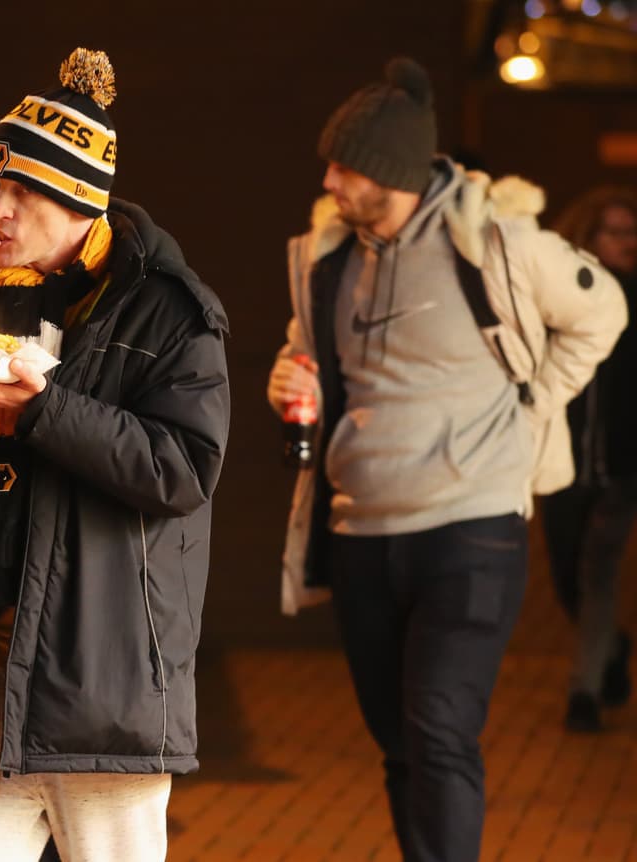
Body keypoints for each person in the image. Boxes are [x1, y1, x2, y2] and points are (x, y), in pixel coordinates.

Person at [0, 49, 231, 861]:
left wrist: (44, 411)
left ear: (80, 203)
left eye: (20, 192)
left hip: (104, 686)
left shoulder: (171, 310)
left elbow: (182, 471)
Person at [267, 58, 626, 862]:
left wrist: (537, 400)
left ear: (392, 171)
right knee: (398, 738)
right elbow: (303, 356)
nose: (328, 178)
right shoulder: (329, 254)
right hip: (361, 529)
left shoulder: (495, 242)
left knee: (438, 729)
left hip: (471, 526)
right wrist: (288, 380)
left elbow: (603, 311)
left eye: (345, 165)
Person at [541, 186, 637, 732]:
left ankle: (585, 691)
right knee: (565, 579)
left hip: (622, 470)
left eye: (631, 231)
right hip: (565, 467)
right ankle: (611, 648)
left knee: (598, 572)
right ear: (589, 237)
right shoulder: (562, 304)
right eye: (615, 232)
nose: (627, 242)